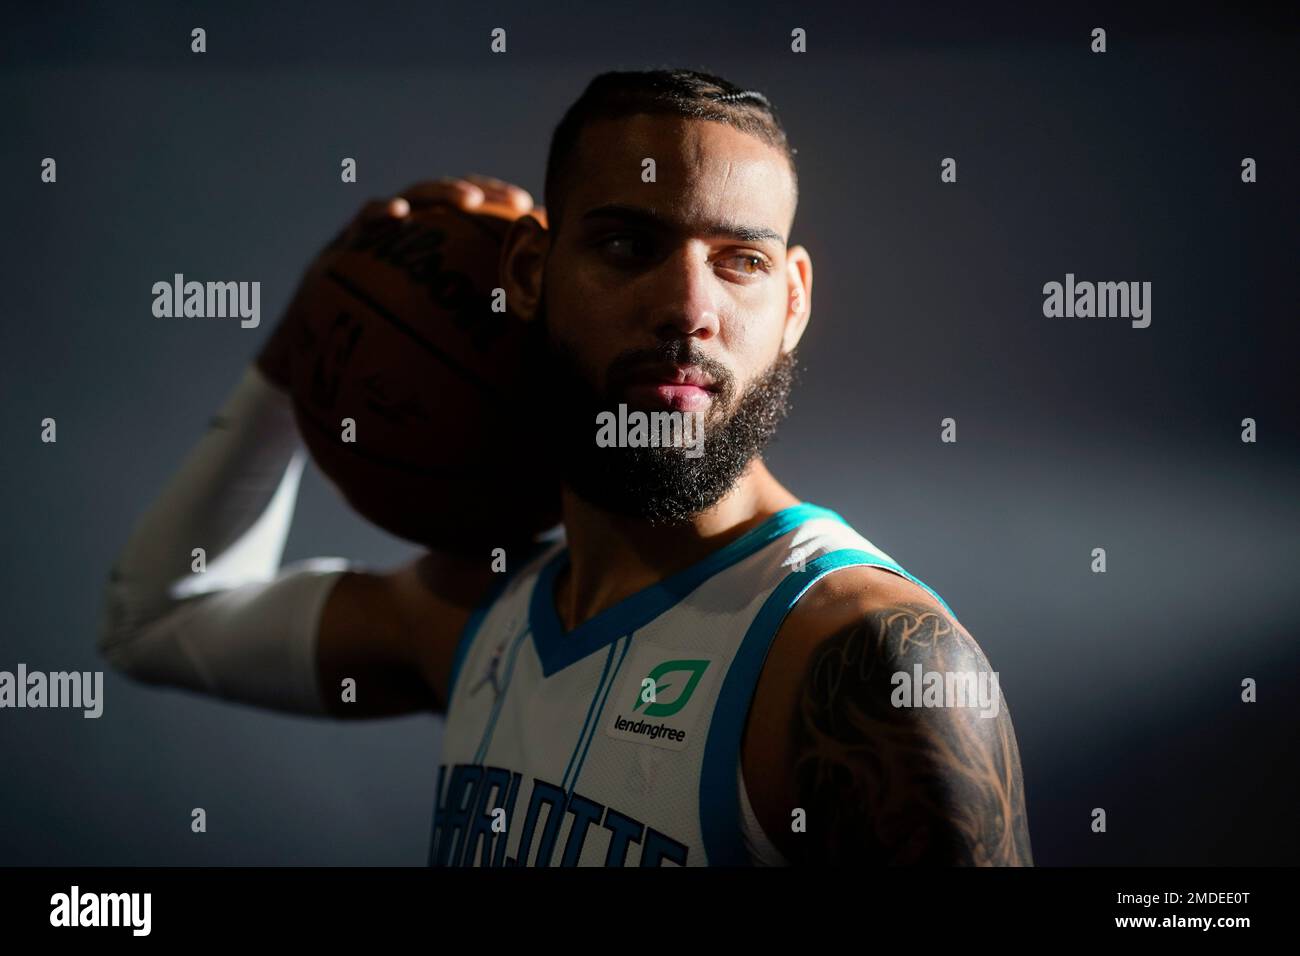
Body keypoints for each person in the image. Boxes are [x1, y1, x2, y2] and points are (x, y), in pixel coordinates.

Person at [99, 68, 1033, 866]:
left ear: (792, 303)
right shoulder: (483, 614)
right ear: (532, 269)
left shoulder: (867, 664)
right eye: (630, 245)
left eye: (738, 260)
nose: (687, 308)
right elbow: (151, 621)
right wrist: (312, 330)